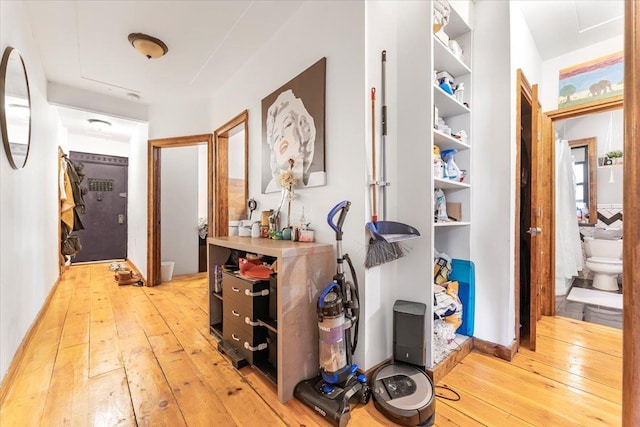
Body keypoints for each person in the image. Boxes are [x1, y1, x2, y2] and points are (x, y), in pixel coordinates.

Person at [264, 89, 323, 193]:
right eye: (276, 135)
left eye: (287, 125)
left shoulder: (318, 179)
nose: (281, 135)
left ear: (303, 131)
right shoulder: (272, 188)